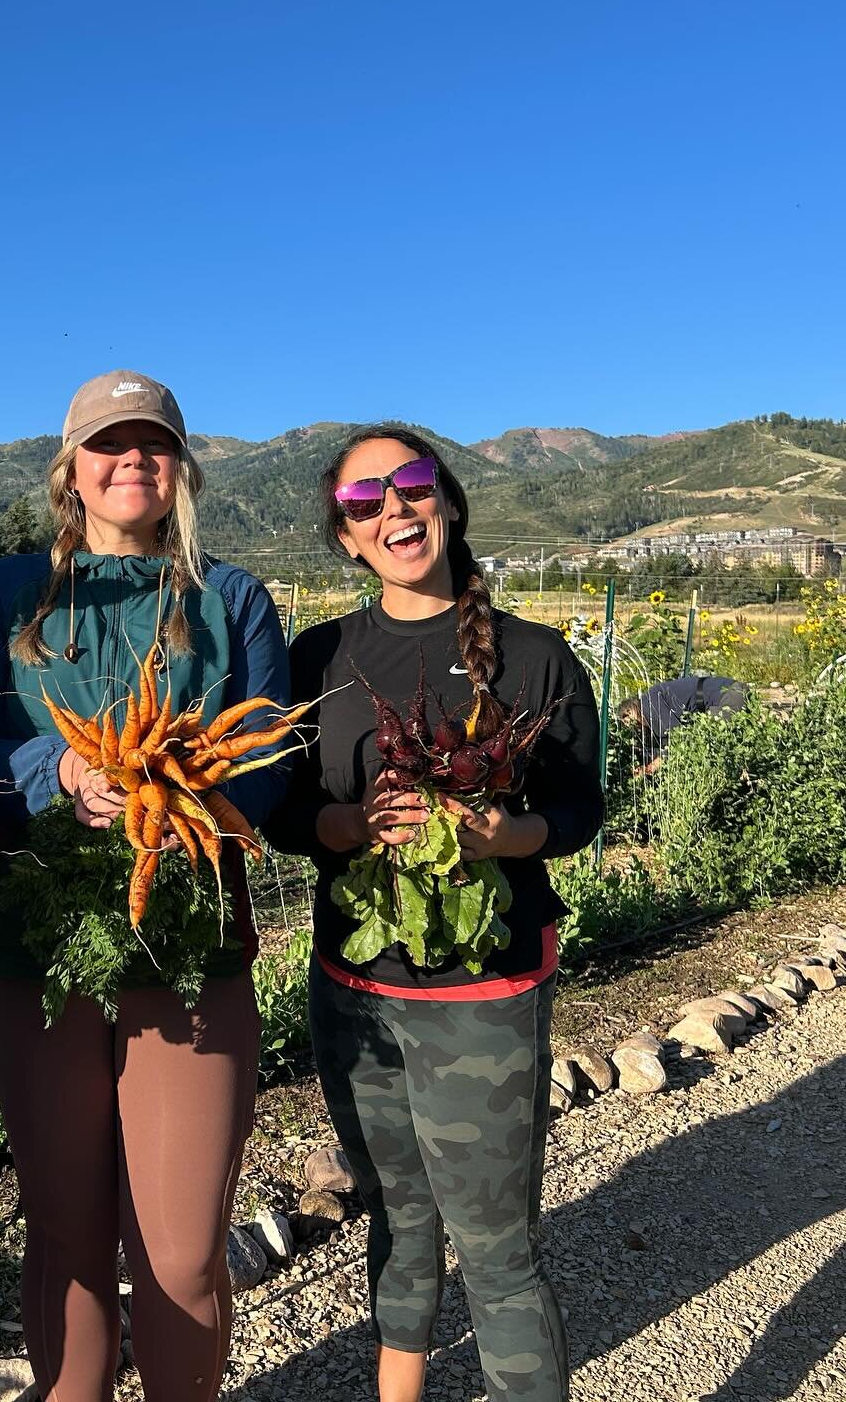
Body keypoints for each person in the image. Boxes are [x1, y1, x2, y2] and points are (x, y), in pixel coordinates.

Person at [0, 370, 288, 1401]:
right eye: (108, 444)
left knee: (181, 1253)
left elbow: (266, 765)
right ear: (72, 469)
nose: (131, 459)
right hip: (36, 947)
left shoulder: (230, 600)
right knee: (68, 1233)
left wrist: (178, 788)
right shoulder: (4, 593)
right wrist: (63, 769)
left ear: (179, 466)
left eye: (153, 443)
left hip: (189, 949)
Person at [264, 424, 603, 1402]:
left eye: (409, 485)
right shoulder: (317, 656)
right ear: (344, 537)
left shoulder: (535, 659)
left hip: (484, 996)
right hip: (355, 995)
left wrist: (504, 838)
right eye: (363, 503)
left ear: (447, 501)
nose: (393, 510)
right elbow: (283, 809)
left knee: (497, 1250)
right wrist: (344, 819)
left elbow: (579, 810)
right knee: (397, 1223)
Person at [618, 673, 749, 772]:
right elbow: (666, 740)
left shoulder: (650, 706)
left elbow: (677, 738)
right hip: (731, 691)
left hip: (728, 696)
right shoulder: (652, 702)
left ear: (629, 710)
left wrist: (654, 765)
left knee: (708, 742)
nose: (630, 725)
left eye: (627, 720)